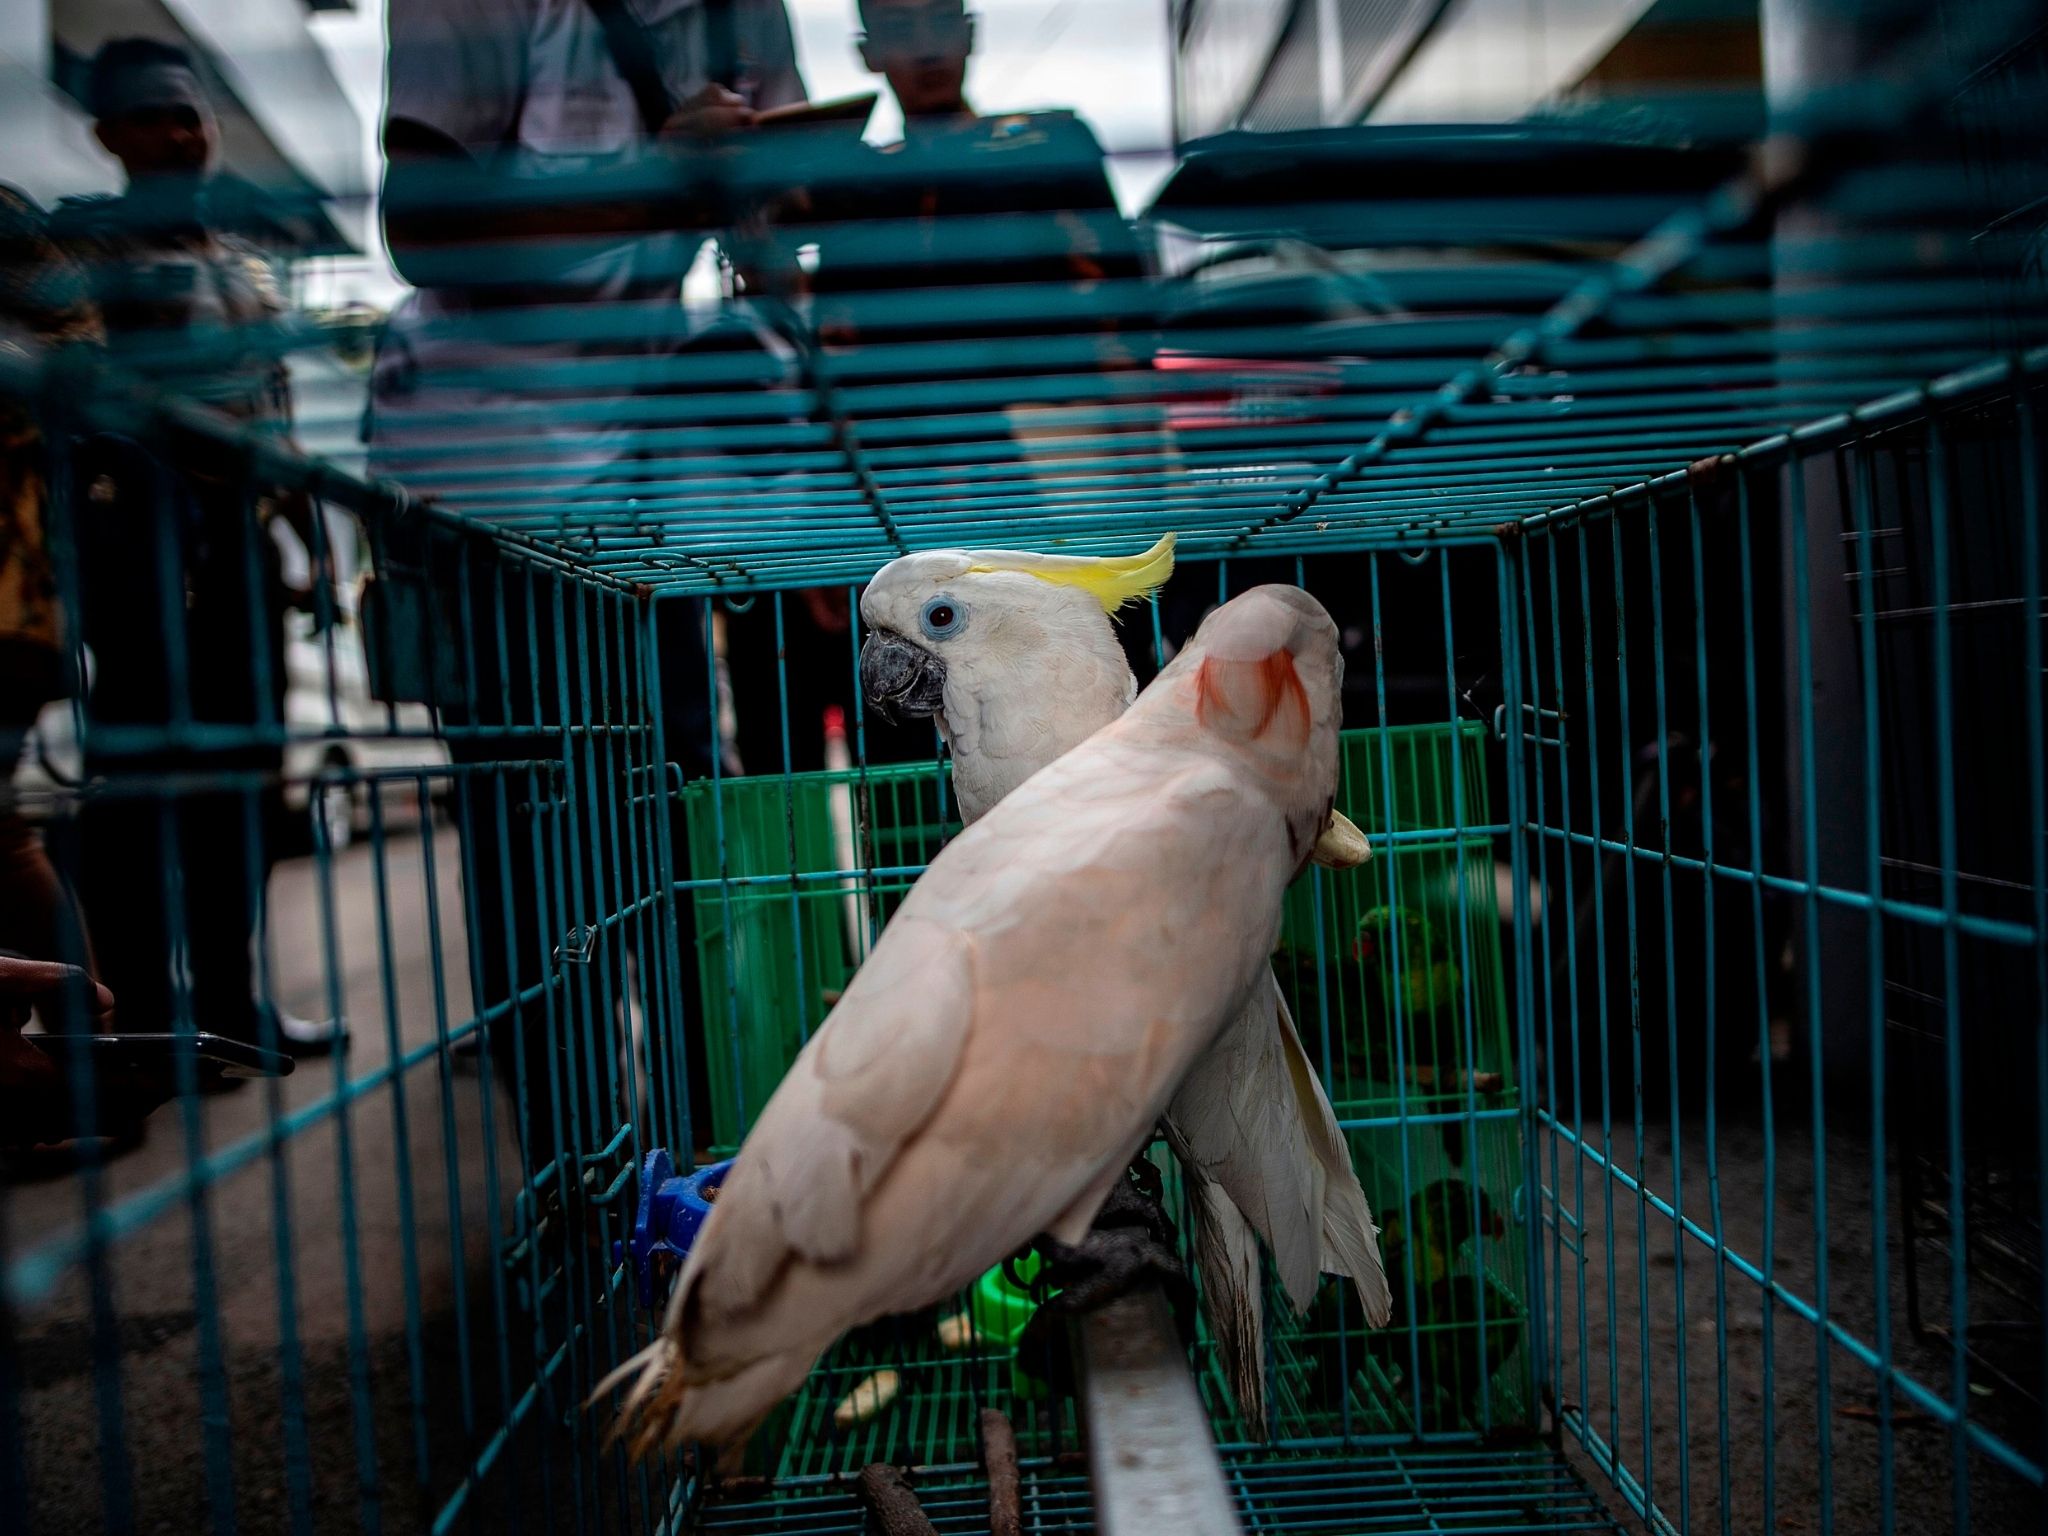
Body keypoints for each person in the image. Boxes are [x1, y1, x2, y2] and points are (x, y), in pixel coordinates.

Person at [367, 0, 816, 1160]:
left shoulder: (736, 14)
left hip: (643, 484)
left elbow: (781, 228)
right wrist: (657, 177)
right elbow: (422, 226)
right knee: (533, 838)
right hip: (487, 477)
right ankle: (579, 1181)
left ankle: (714, 1151)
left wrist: (773, 194)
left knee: (673, 814)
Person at [50, 39, 343, 1054]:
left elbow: (275, 412)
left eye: (190, 113)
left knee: (246, 780)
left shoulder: (243, 259)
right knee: (142, 789)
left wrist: (311, 544)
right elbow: (82, 396)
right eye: (153, 116)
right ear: (107, 136)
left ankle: (230, 1003)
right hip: (141, 542)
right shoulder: (88, 250)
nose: (180, 133)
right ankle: (137, 1019)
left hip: (239, 547)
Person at [0, 186, 102, 998]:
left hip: (13, 596)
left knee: (2, 836)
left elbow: (76, 348)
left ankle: (83, 1045)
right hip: (21, 599)